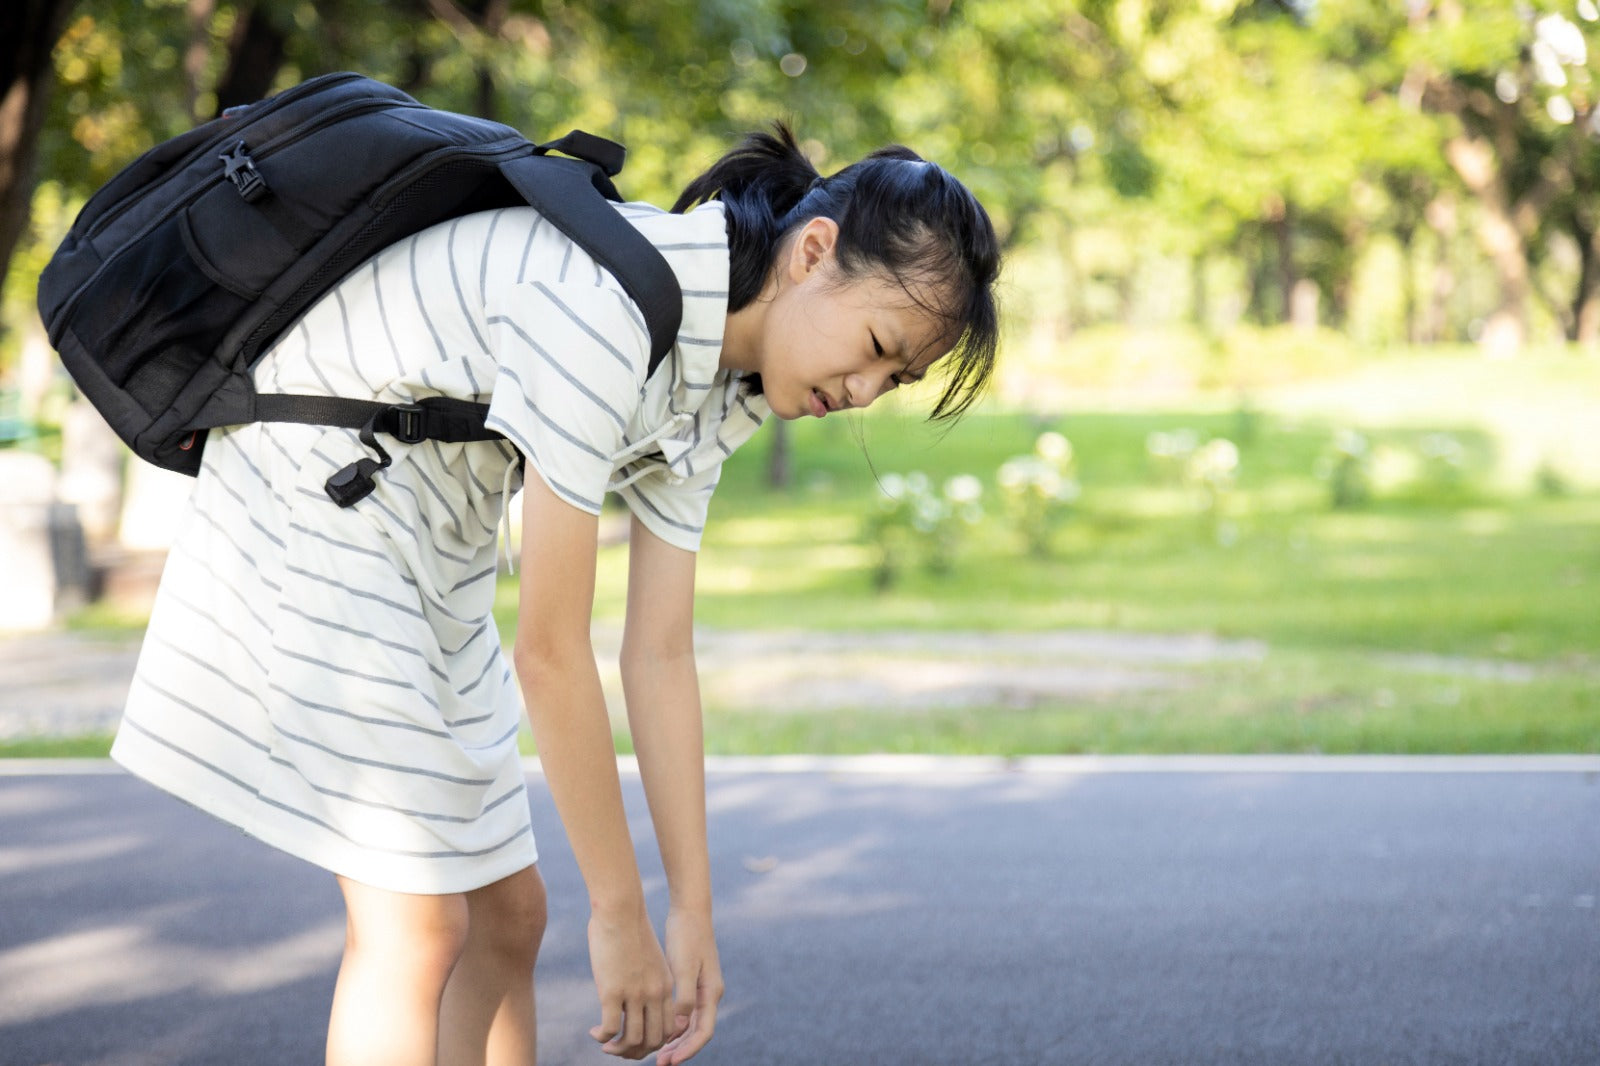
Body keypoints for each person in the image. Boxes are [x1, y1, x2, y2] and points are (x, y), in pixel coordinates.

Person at [109, 121, 1001, 1066]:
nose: (865, 389)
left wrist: (691, 912)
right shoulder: (614, 307)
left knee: (511, 920)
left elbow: (658, 653)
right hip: (316, 497)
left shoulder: (720, 385)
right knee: (414, 930)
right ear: (813, 252)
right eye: (875, 345)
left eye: (894, 379)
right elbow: (550, 650)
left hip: (429, 541)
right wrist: (619, 915)